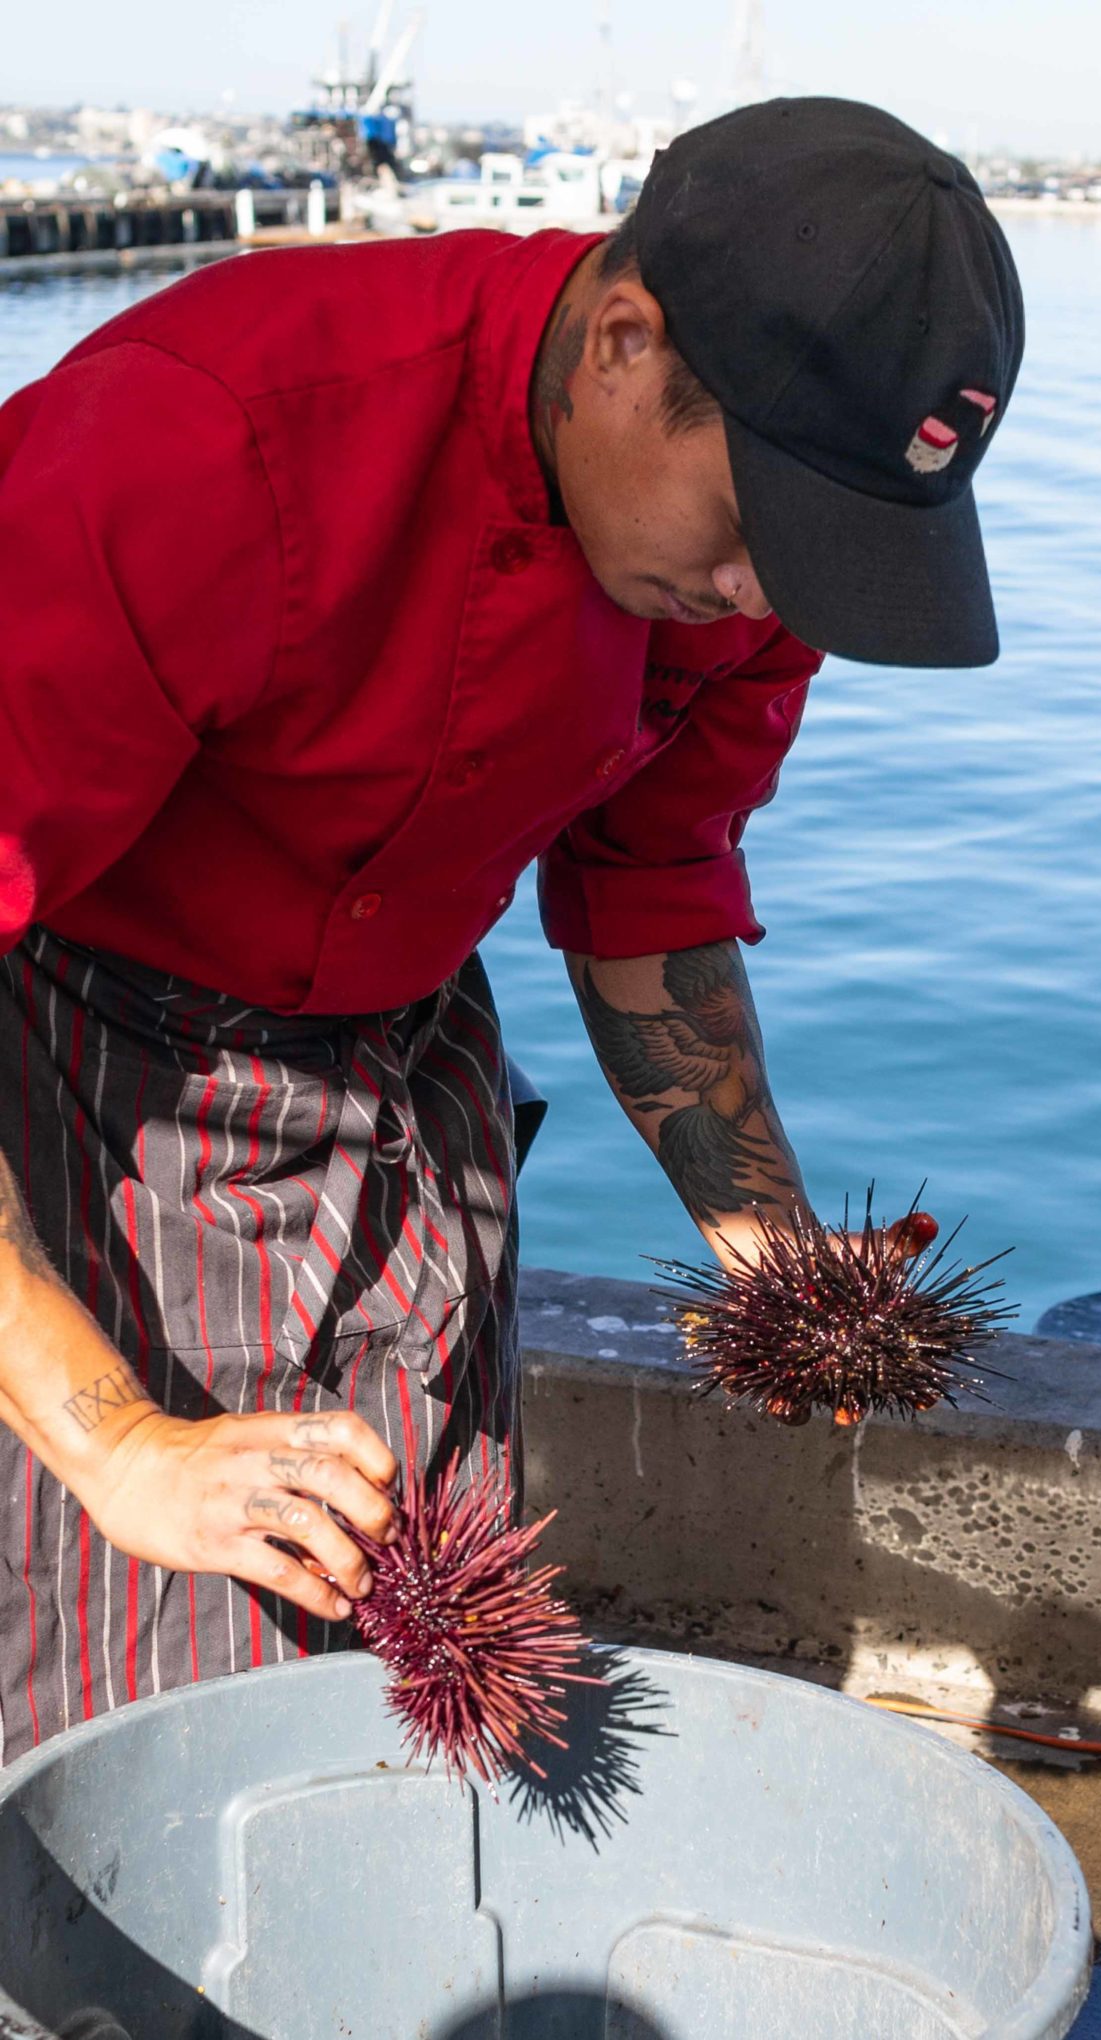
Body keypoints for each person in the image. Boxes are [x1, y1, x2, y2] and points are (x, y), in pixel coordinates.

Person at [0, 97, 1023, 1760]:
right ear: (626, 341)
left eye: (825, 556)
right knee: (111, 1686)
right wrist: (117, 1440)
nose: (771, 598)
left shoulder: (750, 582)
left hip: (400, 1064)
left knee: (419, 1648)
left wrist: (764, 1237)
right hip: (75, 1065)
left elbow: (652, 883)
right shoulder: (208, 439)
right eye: (759, 523)